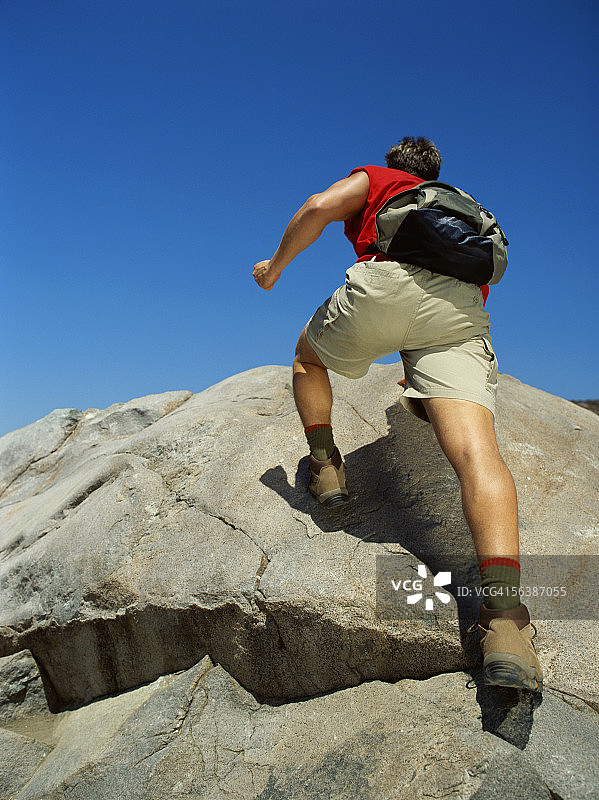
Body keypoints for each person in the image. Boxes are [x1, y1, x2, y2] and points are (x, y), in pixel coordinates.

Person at [253, 136, 542, 692]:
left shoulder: (381, 180)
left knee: (306, 358)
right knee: (478, 454)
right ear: (437, 172)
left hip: (388, 285)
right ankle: (505, 622)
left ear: (393, 165)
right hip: (459, 310)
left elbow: (316, 208)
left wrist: (275, 268)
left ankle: (326, 465)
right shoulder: (462, 202)